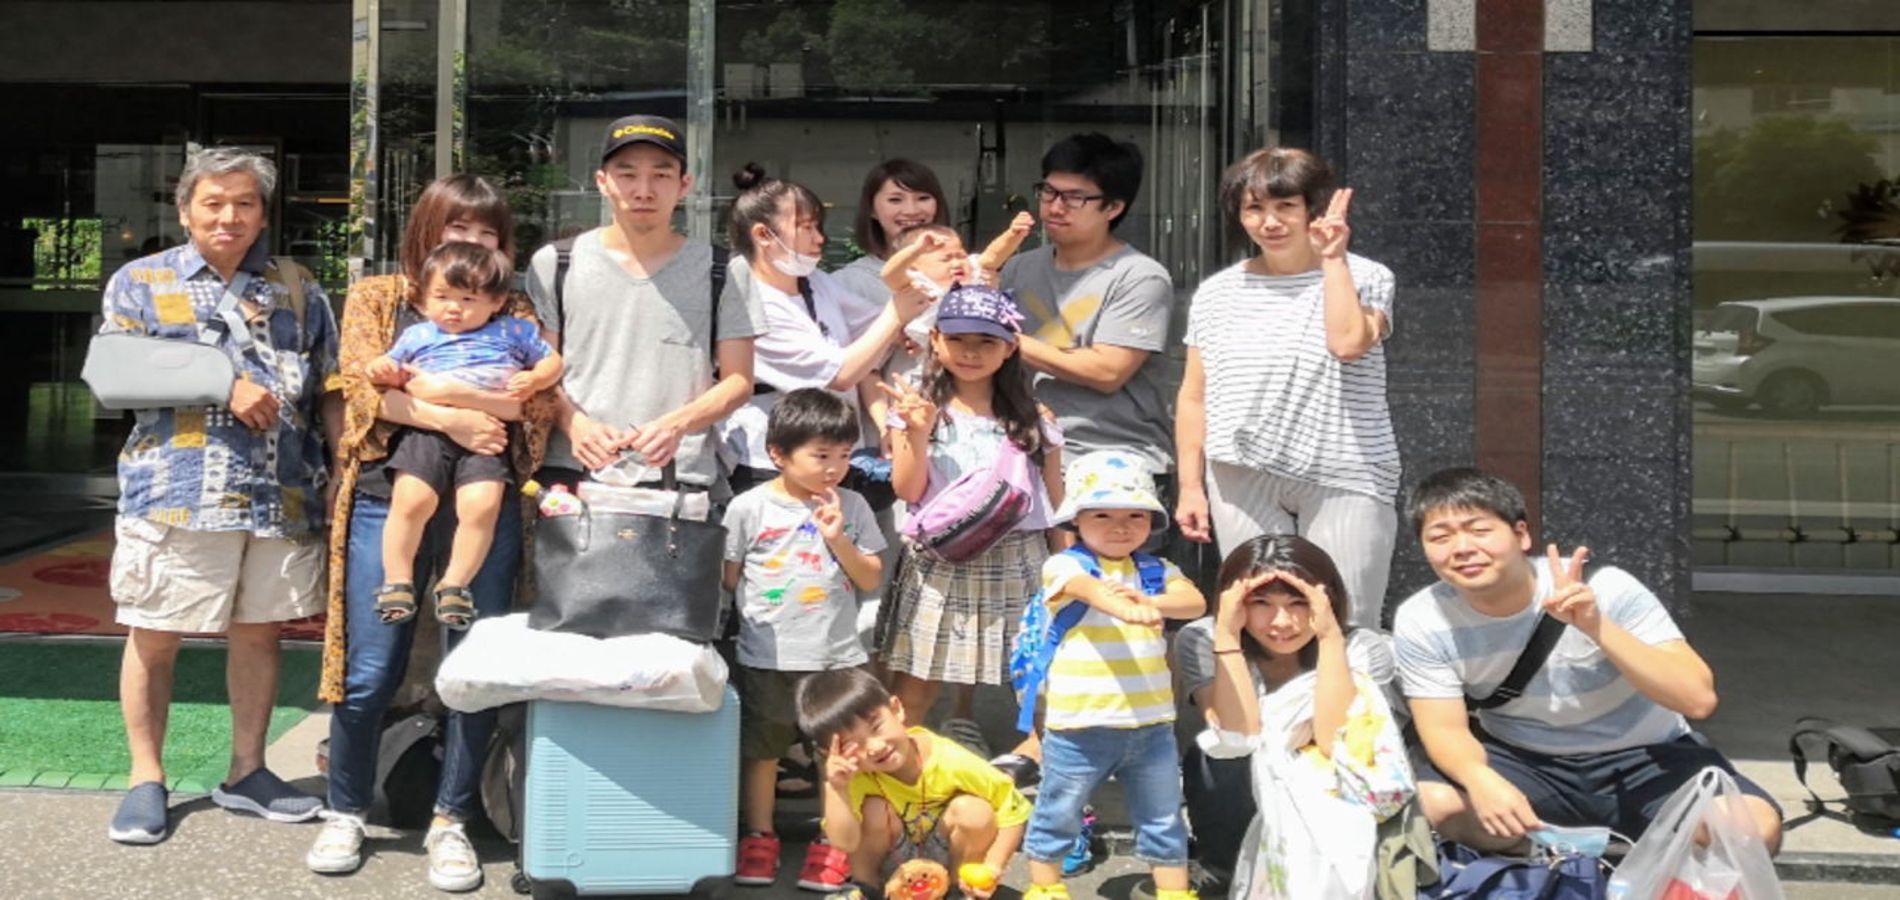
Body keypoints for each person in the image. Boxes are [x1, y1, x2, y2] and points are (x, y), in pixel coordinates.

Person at [311, 172, 555, 892]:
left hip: (483, 498)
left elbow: (536, 405)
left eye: (487, 234)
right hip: (388, 495)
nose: (473, 243)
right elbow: (362, 394)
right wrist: (452, 412)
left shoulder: (512, 308)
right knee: (369, 663)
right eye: (457, 229)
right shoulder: (381, 298)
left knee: (471, 664)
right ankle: (346, 809)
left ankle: (452, 820)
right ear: (426, 233)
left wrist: (440, 394)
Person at [102, 146, 336, 844]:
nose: (228, 216)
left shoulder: (297, 285)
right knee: (155, 633)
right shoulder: (142, 280)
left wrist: (342, 464)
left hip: (280, 490)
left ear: (263, 214)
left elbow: (327, 383)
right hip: (177, 490)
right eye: (213, 203)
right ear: (186, 211)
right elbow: (112, 372)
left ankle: (247, 772)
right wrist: (221, 384)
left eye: (245, 203)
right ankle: (146, 778)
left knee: (260, 632)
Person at [1394, 467, 1783, 852]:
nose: (1462, 548)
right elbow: (1443, 729)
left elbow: (1697, 699)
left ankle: (1647, 863)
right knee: (1435, 805)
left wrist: (1596, 626)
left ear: (1521, 535)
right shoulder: (1423, 617)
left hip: (1649, 758)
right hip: (1524, 762)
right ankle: (1542, 861)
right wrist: (1479, 779)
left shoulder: (1605, 588)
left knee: (1750, 829)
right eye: (1440, 537)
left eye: (1480, 530)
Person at [1175, 147, 1399, 630]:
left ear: (1312, 208)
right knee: (1256, 618)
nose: (1270, 222)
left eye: (1286, 206)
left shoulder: (1366, 275)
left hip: (1344, 468)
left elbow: (1348, 343)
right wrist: (1190, 487)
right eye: (1254, 208)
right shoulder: (1216, 292)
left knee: (1346, 616)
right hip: (1240, 472)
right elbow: (1194, 394)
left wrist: (1333, 260)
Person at [525, 114, 763, 492]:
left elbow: (739, 381)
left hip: (679, 474)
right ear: (602, 182)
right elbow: (538, 369)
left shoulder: (723, 269)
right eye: (627, 174)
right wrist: (575, 424)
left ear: (684, 185)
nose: (643, 190)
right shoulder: (556, 263)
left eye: (661, 175)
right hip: (575, 468)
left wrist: (676, 426)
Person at [874, 285, 1064, 741]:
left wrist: (1067, 568)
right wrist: (917, 432)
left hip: (1020, 557)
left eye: (986, 342)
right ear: (935, 340)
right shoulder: (916, 410)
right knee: (916, 686)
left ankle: (1053, 776)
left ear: (1010, 347)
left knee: (1039, 684)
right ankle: (889, 776)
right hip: (939, 560)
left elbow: (1058, 504)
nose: (971, 352)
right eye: (958, 339)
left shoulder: (1035, 416)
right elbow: (907, 489)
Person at [1019, 451, 1207, 900]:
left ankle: (1173, 892)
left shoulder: (1158, 571)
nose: (1120, 526)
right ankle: (1045, 888)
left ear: (1151, 521)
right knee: (1058, 811)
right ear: (1077, 520)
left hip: (1152, 726)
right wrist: (1122, 605)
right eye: (1102, 514)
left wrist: (1151, 602)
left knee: (1163, 817)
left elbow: (1195, 602)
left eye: (1134, 515)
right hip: (1079, 727)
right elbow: (1085, 590)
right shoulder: (1065, 565)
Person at [723, 389, 889, 892]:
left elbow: (869, 577)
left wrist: (838, 537)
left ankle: (833, 840)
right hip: (767, 654)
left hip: (836, 657)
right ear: (778, 453)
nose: (834, 468)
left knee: (836, 753)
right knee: (763, 749)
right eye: (821, 455)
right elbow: (729, 577)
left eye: (844, 455)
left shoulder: (853, 505)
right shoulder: (748, 507)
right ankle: (760, 835)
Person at [1187, 535, 1413, 899]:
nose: (1282, 621)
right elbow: (1235, 737)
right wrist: (1227, 636)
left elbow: (1337, 743)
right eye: (1260, 603)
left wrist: (1330, 639)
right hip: (1244, 786)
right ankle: (1224, 869)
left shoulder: (1360, 646)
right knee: (1213, 759)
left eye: (1299, 603)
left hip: (1337, 798)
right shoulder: (1203, 638)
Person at [366, 241, 561, 630]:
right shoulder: (418, 335)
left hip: (488, 432)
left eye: (468, 299)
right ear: (423, 299)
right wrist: (382, 370)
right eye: (442, 297)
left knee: (482, 507)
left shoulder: (514, 330)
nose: (453, 308)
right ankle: (397, 578)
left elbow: (553, 362)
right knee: (410, 500)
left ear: (496, 301)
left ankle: (455, 583)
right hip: (427, 432)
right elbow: (384, 369)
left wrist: (536, 378)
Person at [718, 163, 931, 496]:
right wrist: (896, 315)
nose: (820, 239)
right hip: (770, 462)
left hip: (835, 456)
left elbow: (871, 323)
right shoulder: (748, 299)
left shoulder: (814, 281)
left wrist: (903, 330)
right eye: (806, 227)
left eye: (818, 226)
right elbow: (841, 373)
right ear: (763, 235)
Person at [1002, 133, 1176, 479]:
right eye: (1048, 191)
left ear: (1114, 207)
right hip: (1024, 451)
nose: (1055, 207)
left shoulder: (1139, 276)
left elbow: (1107, 372)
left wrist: (1002, 338)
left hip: (1114, 457)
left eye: (1075, 197)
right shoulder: (1017, 268)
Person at [797, 667, 1030, 900]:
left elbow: (1013, 809)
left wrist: (993, 866)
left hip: (947, 852)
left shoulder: (950, 759)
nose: (875, 747)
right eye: (852, 745)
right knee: (874, 809)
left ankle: (959, 891)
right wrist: (836, 789)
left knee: (975, 810)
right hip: (890, 862)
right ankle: (865, 889)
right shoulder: (854, 776)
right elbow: (844, 844)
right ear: (831, 753)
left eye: (876, 727)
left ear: (896, 709)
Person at [834, 159, 952, 333]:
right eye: (895, 200)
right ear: (872, 209)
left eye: (923, 198)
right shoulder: (846, 283)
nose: (911, 210)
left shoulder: (961, 272)